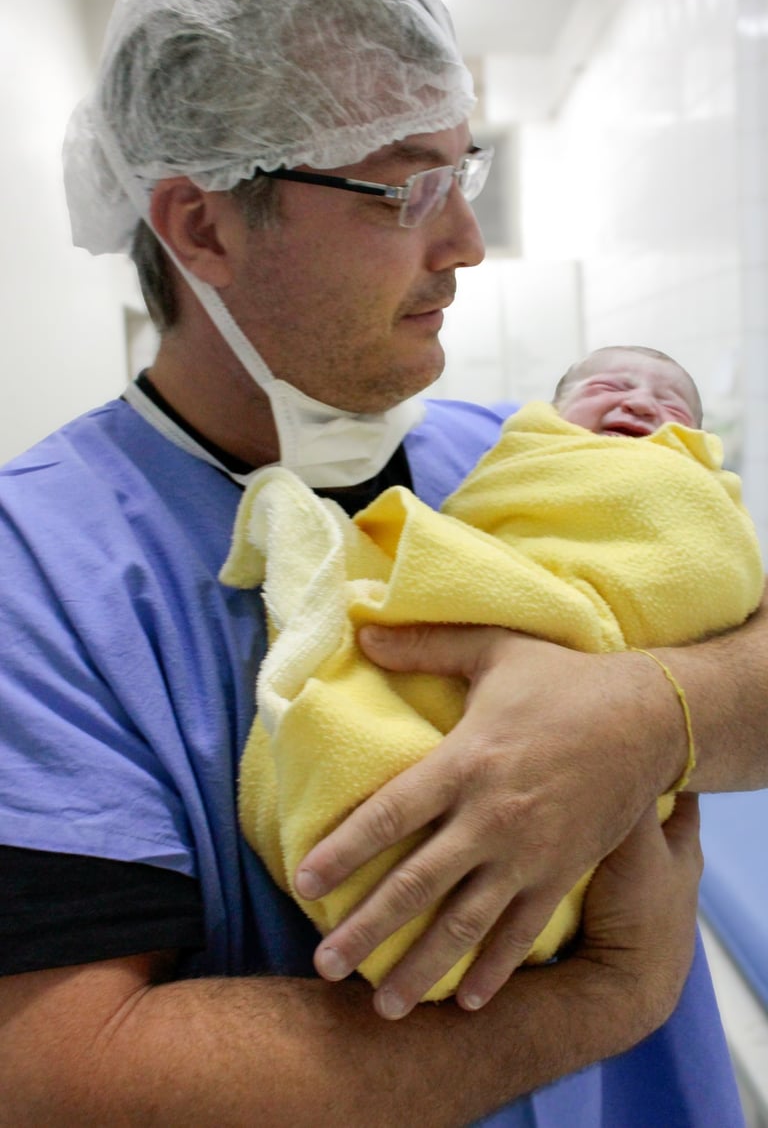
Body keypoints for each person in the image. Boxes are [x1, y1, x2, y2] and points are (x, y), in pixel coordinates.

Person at [0, 0, 764, 1124]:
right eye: (406, 188)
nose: (464, 243)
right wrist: (606, 994)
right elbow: (65, 1074)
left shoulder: (531, 454)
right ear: (201, 224)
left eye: (466, 173)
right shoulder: (38, 573)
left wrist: (655, 714)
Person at [224, 342, 762, 999]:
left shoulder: (663, 480)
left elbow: (712, 572)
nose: (642, 403)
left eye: (673, 404)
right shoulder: (525, 447)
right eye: (613, 383)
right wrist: (620, 992)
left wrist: (644, 713)